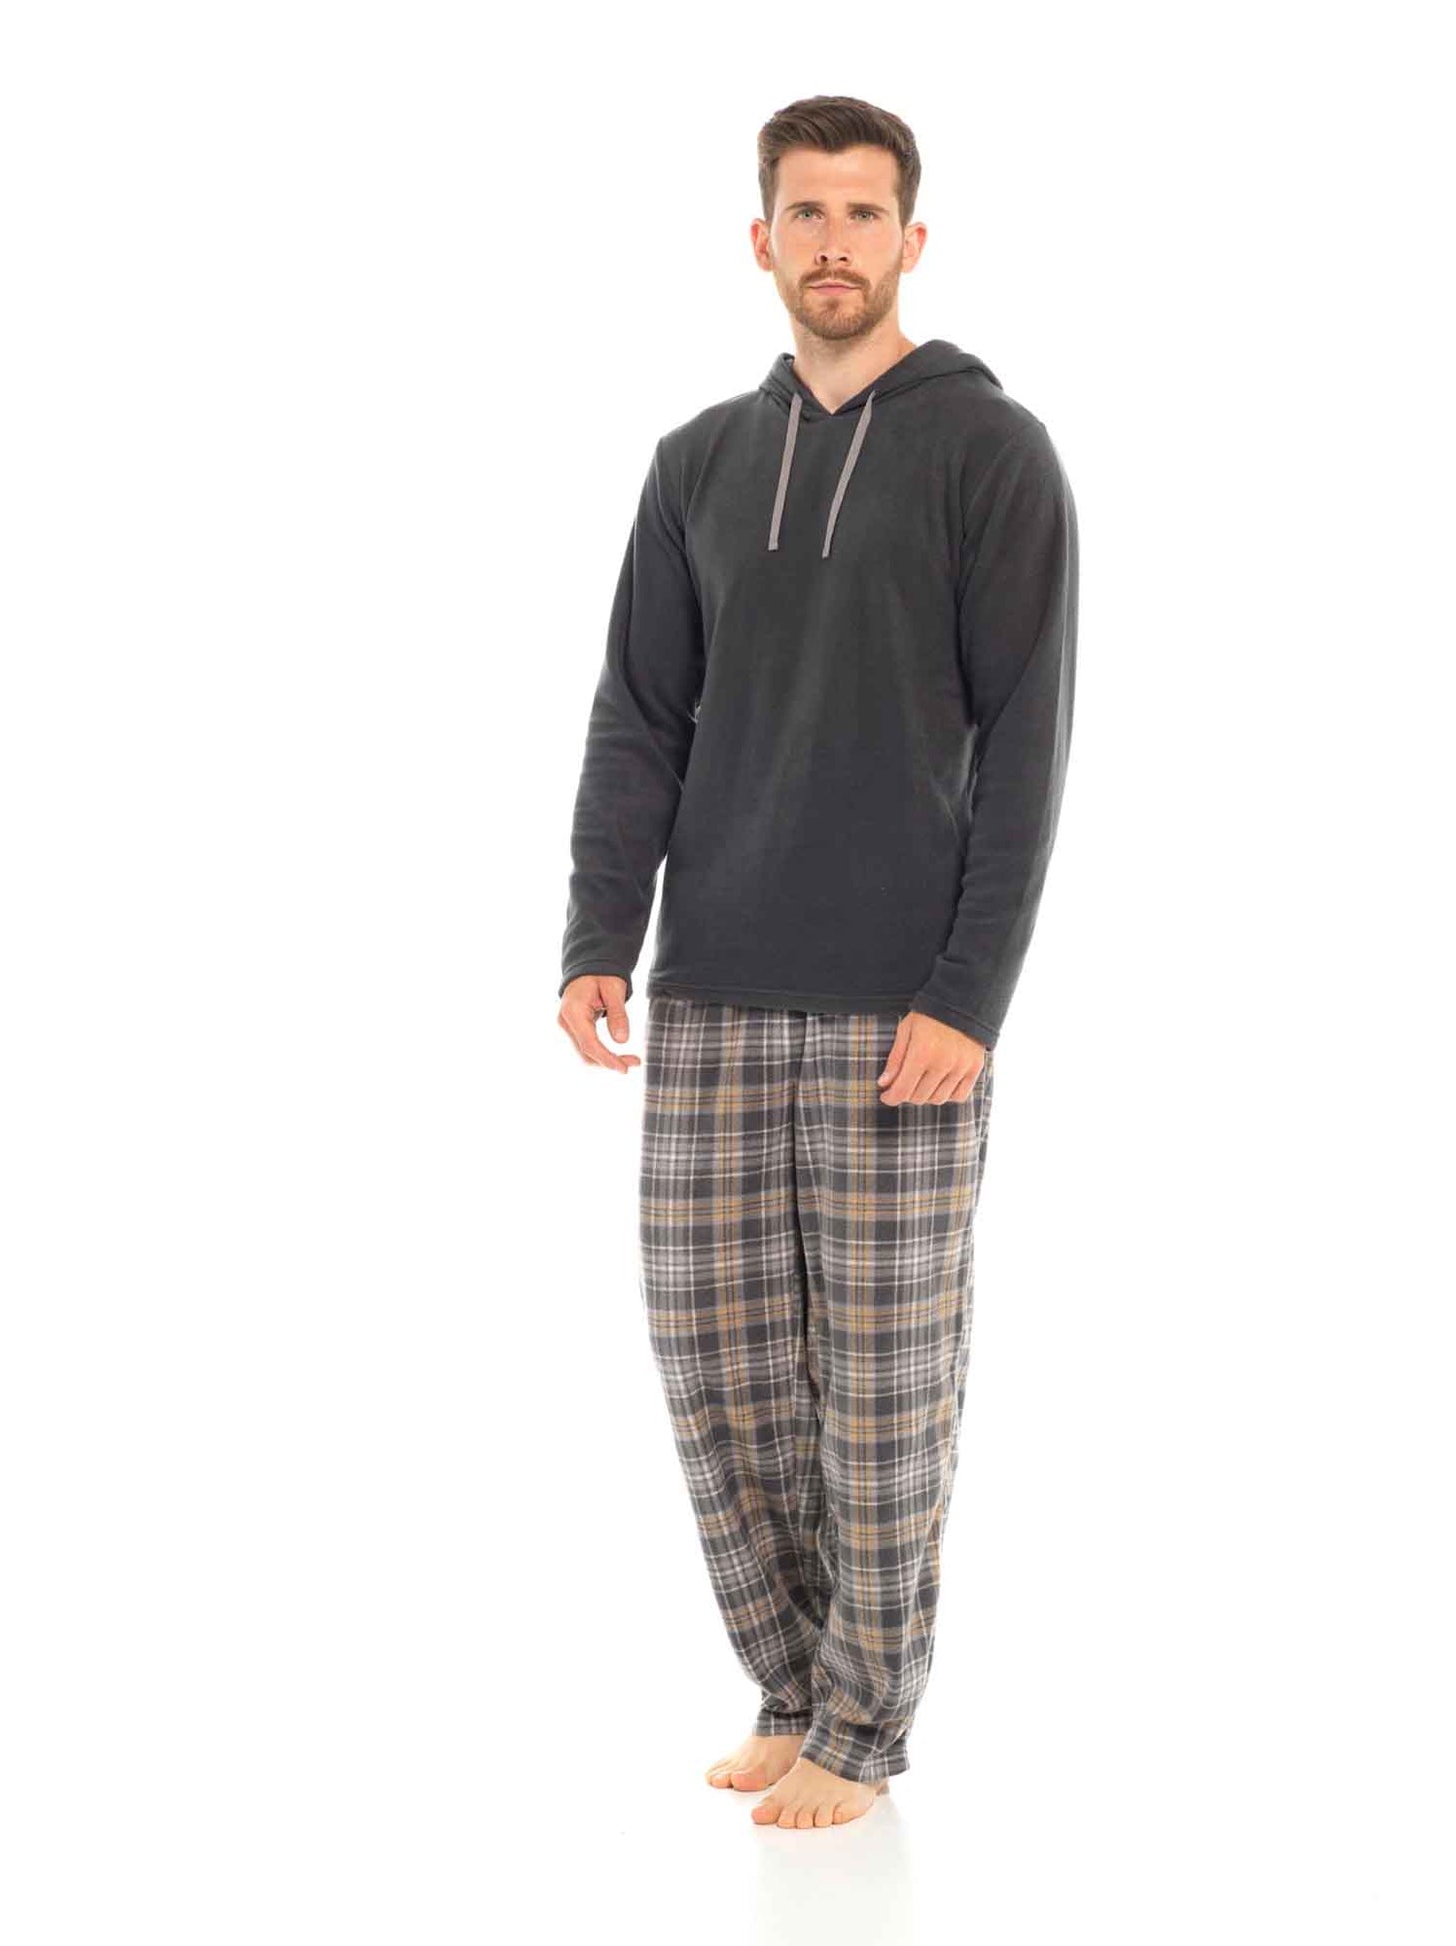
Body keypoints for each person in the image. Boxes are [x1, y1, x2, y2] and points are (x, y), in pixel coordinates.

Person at [556, 95, 1078, 1832]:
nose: (834, 241)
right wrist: (598, 932)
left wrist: (967, 997)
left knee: (881, 1387)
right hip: (708, 987)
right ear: (760, 239)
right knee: (717, 1373)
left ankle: (864, 1722)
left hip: (895, 1008)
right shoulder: (696, 460)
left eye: (864, 212)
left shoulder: (990, 452)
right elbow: (640, 715)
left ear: (910, 240)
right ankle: (790, 1685)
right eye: (806, 211)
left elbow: (1027, 745)